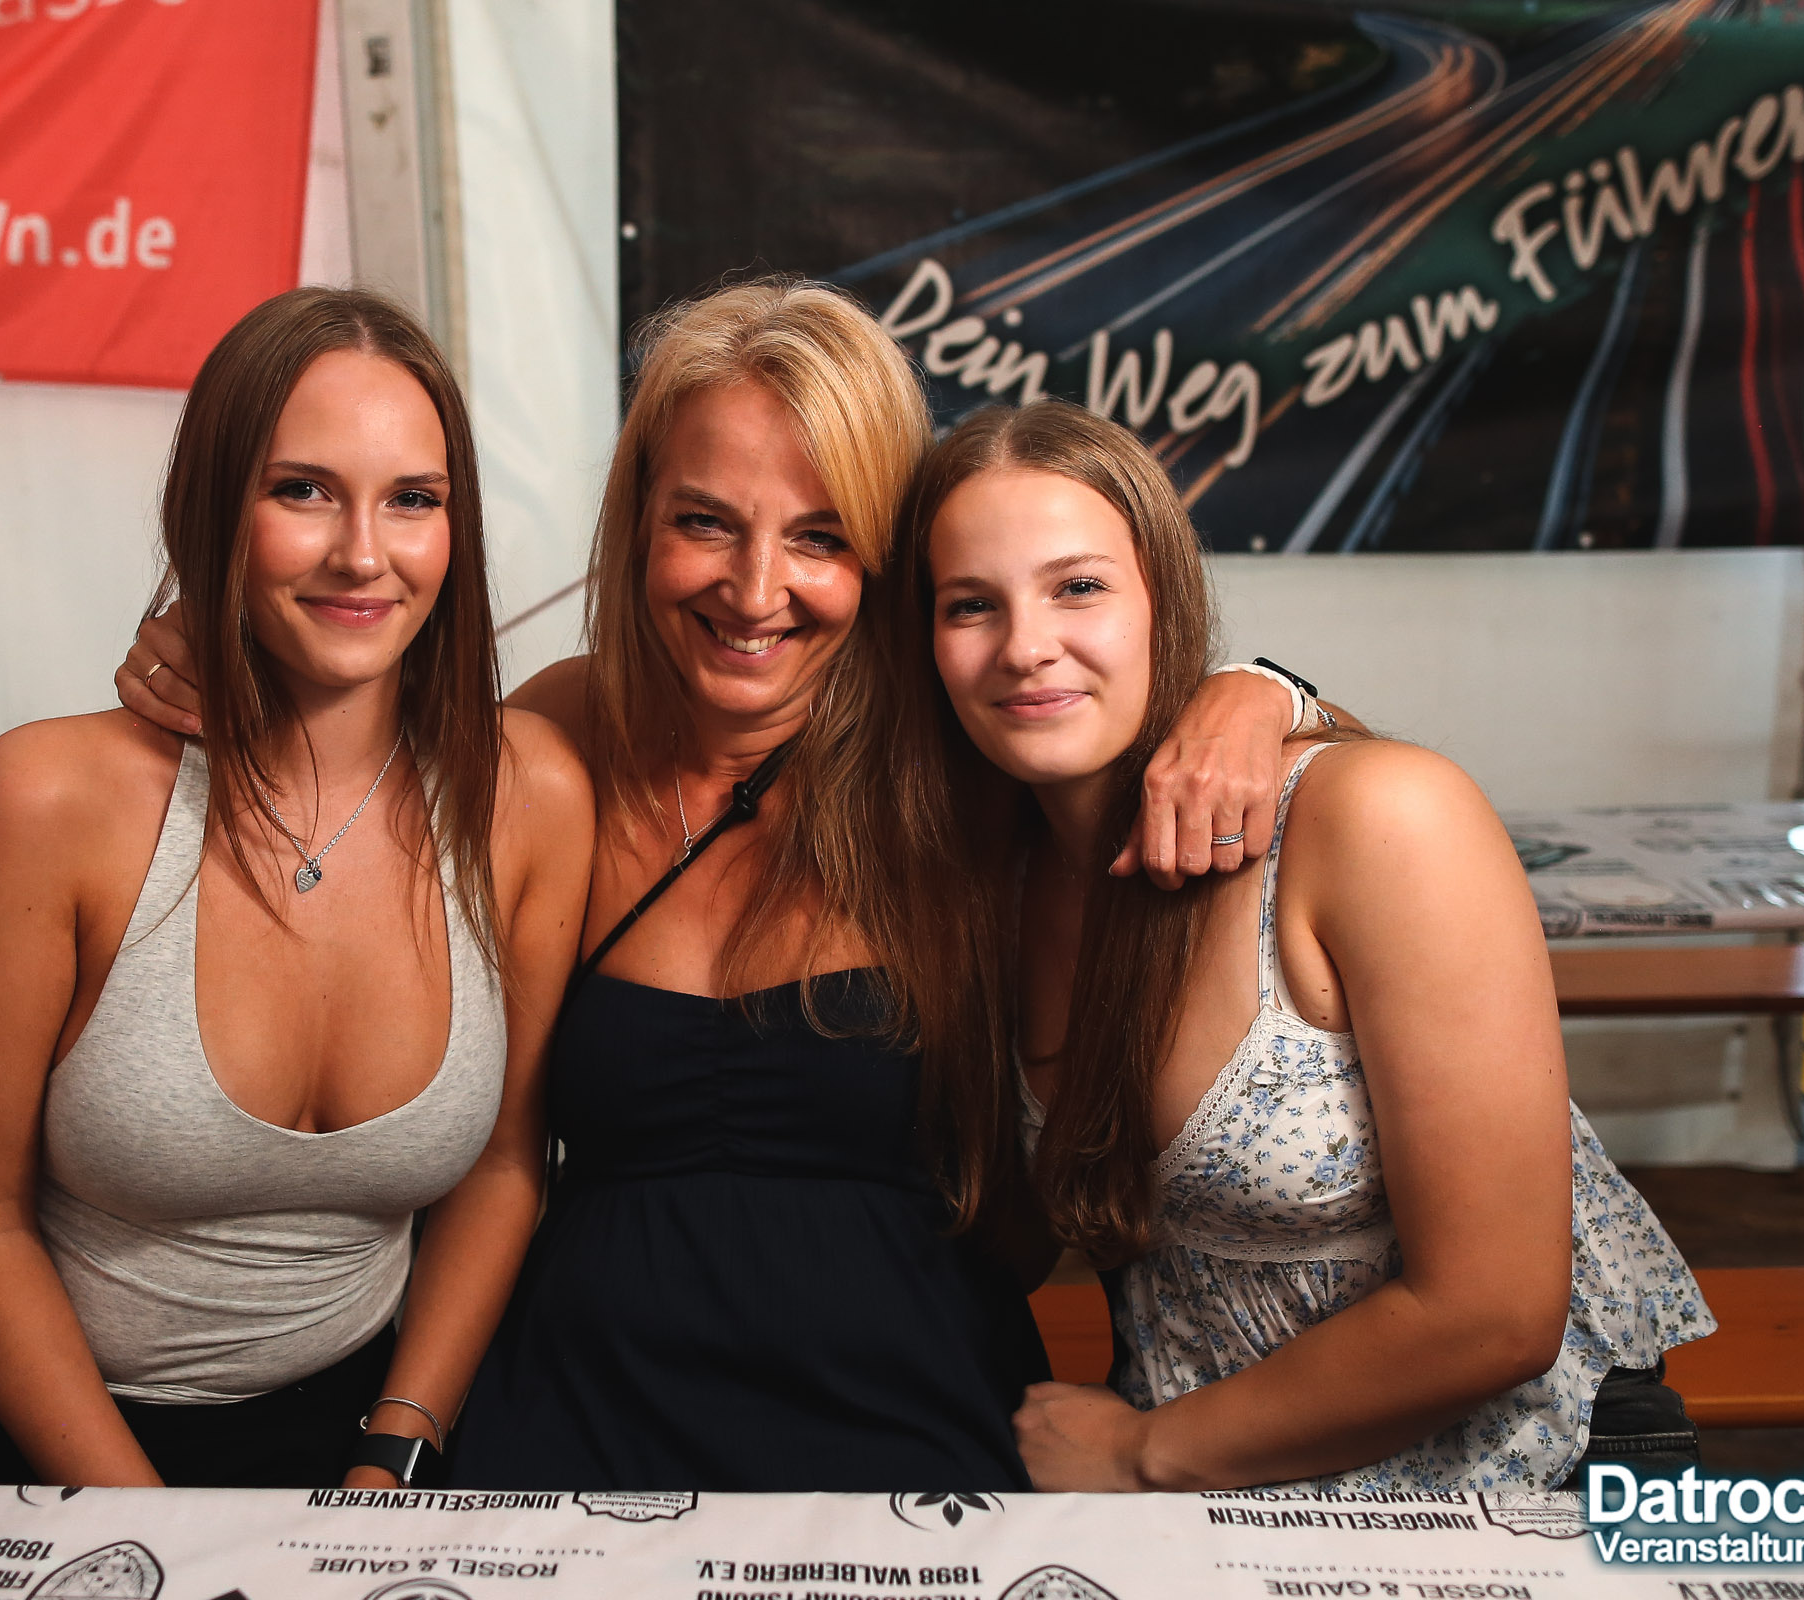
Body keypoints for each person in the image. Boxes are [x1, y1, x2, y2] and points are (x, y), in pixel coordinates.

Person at [117, 279, 1341, 1490]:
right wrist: (225, 648)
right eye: (705, 522)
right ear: (638, 519)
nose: (755, 592)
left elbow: (1219, 756)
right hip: (574, 1400)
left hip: (905, 1412)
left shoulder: (959, 748)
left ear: (886, 556)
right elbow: (355, 758)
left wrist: (1258, 692)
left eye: (819, 537)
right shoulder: (555, 736)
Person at [892, 400, 1713, 1494]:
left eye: (1078, 586)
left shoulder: (1380, 816)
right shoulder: (991, 882)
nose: (1025, 645)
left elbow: (1499, 1314)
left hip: (1517, 1475)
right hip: (1218, 1490)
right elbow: (1017, 1239)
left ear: (1162, 597)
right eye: (969, 605)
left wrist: (1139, 1453)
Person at [0, 288, 593, 1489]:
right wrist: (156, 1536)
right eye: (301, 490)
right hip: (33, 1437)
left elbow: (506, 1167)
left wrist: (394, 1448)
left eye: (413, 499)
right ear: (209, 504)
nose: (363, 553)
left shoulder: (529, 796)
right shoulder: (44, 801)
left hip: (355, 1428)